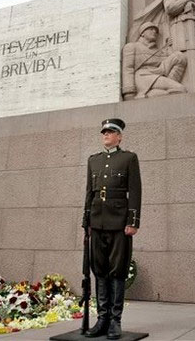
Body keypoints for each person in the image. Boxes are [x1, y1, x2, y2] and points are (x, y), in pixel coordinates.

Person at [83, 119, 141, 340]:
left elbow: (135, 191)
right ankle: (102, 319)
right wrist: (86, 221)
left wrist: (133, 221)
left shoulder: (128, 158)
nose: (106, 135)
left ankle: (115, 321)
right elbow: (90, 192)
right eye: (104, 132)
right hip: (97, 222)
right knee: (99, 269)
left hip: (119, 223)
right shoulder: (93, 161)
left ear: (120, 136)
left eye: (110, 132)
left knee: (117, 270)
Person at [122, 22, 187, 100]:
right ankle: (147, 94)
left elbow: (170, 61)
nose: (154, 32)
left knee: (179, 56)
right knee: (180, 89)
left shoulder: (158, 51)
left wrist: (169, 47)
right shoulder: (131, 46)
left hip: (157, 74)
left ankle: (150, 94)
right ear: (142, 33)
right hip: (143, 76)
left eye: (155, 31)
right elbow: (128, 68)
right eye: (151, 29)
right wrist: (129, 93)